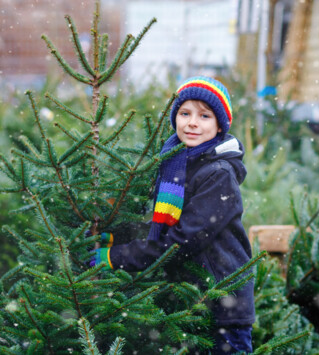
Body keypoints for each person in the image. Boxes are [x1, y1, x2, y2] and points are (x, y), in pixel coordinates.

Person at [90, 76, 255, 354]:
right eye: (185, 113)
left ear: (219, 127)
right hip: (188, 302)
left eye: (204, 115)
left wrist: (115, 258)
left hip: (221, 305)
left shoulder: (218, 175)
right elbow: (161, 226)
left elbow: (181, 241)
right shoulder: (176, 163)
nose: (192, 122)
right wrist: (116, 235)